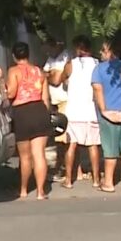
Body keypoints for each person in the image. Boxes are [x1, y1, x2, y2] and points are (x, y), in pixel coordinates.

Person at [91, 39, 121, 193]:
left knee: (110, 151)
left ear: (110, 51)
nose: (100, 53)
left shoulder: (98, 69)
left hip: (108, 115)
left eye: (103, 50)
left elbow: (98, 90)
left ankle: (108, 182)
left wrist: (104, 110)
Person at [4, 42, 51, 200]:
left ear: (14, 56)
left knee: (25, 157)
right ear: (28, 54)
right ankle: (40, 191)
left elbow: (11, 93)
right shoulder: (39, 72)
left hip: (22, 113)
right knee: (39, 154)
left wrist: (1, 82)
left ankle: (23, 190)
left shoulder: (14, 71)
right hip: (39, 111)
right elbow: (46, 99)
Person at [61, 36, 101, 189]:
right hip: (91, 110)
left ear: (78, 48)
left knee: (71, 145)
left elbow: (61, 79)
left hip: (74, 111)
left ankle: (68, 180)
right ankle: (96, 180)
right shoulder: (98, 64)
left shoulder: (71, 64)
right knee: (93, 146)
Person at [42, 38, 70, 181]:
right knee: (56, 138)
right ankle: (60, 166)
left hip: (64, 101)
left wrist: (50, 75)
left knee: (63, 138)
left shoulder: (64, 57)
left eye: (49, 48)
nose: (48, 51)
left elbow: (56, 79)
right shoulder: (51, 59)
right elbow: (44, 75)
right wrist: (49, 74)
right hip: (54, 102)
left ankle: (64, 167)